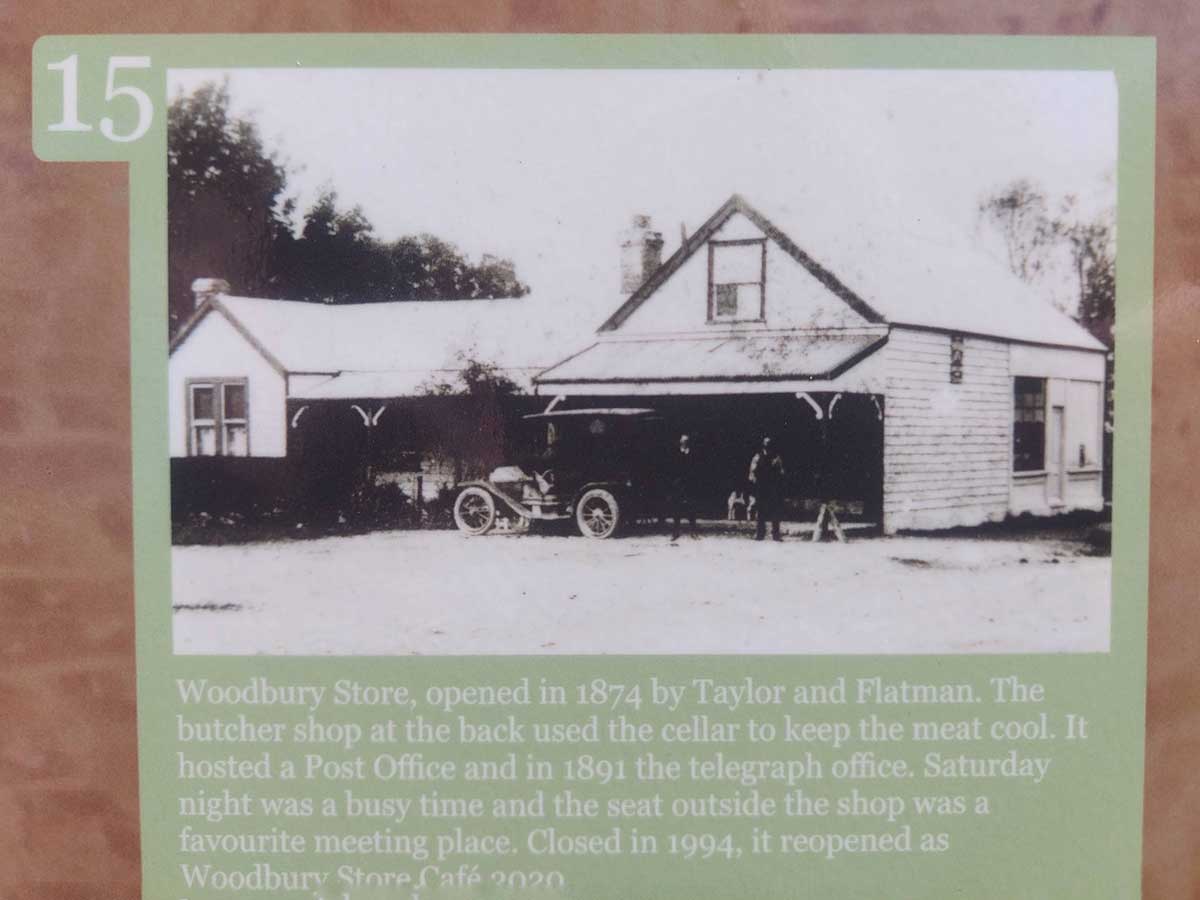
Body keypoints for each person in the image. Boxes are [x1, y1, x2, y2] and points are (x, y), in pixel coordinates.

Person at [749, 436, 785, 541]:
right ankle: (760, 534)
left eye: (769, 444)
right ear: (763, 445)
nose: (768, 446)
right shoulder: (757, 456)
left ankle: (776, 535)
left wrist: (779, 477)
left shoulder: (776, 457)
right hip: (761, 486)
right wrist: (755, 480)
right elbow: (751, 472)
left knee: (775, 511)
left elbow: (782, 472)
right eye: (766, 443)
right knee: (760, 510)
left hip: (773, 487)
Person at [669, 433, 700, 540]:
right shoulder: (675, 453)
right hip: (678, 484)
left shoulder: (693, 453)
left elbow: (696, 467)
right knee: (676, 508)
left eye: (686, 440)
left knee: (691, 508)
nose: (685, 442)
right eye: (683, 440)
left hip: (690, 484)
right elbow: (672, 467)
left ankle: (693, 532)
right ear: (680, 442)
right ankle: (675, 532)